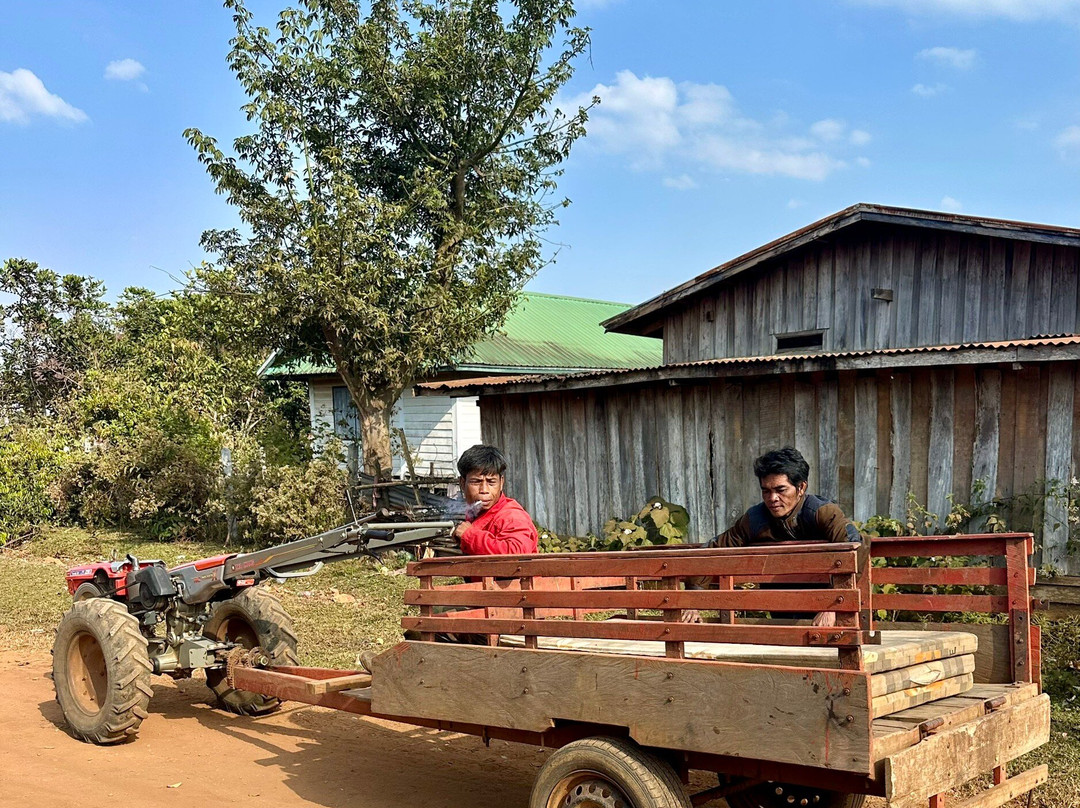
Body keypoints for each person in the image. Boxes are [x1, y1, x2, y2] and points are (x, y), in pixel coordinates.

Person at [688, 446, 861, 626]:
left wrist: (833, 605)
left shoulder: (822, 513)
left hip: (824, 609)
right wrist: (691, 601)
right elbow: (714, 551)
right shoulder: (755, 519)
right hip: (780, 611)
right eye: (766, 491)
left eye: (781, 490)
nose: (772, 498)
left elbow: (855, 547)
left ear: (801, 487)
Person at [452, 444, 539, 556]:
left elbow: (517, 554)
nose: (484, 490)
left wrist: (469, 536)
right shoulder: (476, 513)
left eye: (491, 482)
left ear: (501, 483)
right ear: (462, 483)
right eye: (476, 482)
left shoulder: (511, 516)